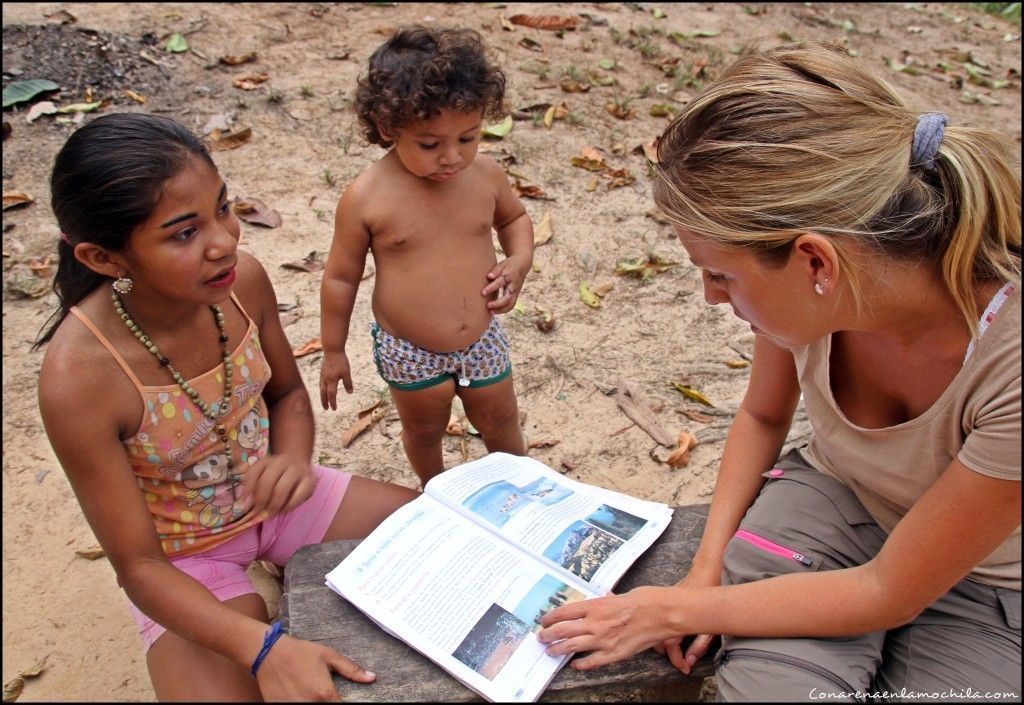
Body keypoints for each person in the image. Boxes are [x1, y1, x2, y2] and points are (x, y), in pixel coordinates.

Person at [538, 42, 1021, 701]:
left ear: (814, 263)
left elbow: (888, 590)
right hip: (838, 498)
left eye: (721, 275)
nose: (712, 295)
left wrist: (672, 610)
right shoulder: (827, 285)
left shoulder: (1010, 361)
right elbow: (764, 413)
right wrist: (704, 570)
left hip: (992, 583)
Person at [34, 112, 420, 701]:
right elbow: (139, 567)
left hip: (283, 502)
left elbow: (287, 392)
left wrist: (292, 459)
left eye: (223, 207)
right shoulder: (79, 378)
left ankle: (284, 562)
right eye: (184, 233)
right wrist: (262, 646)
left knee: (446, 538)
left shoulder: (244, 284)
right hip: (183, 559)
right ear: (104, 259)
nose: (225, 240)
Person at [319, 25, 534, 487]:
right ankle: (436, 491)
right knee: (423, 429)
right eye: (430, 144)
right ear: (386, 128)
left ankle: (525, 487)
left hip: (481, 337)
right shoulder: (367, 198)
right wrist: (333, 350)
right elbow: (340, 278)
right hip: (409, 351)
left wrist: (518, 262)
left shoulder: (486, 176)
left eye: (469, 137)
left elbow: (514, 220)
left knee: (501, 423)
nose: (452, 157)